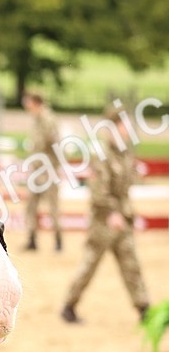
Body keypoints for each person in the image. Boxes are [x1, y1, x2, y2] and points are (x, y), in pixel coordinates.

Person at [60, 106, 150, 324]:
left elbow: (125, 187)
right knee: (89, 265)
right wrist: (111, 213)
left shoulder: (125, 153)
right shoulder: (103, 155)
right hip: (104, 221)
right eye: (123, 125)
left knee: (131, 265)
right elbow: (99, 191)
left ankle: (144, 308)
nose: (127, 130)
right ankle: (69, 305)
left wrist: (126, 213)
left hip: (122, 218)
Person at [21, 91, 62, 251]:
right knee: (31, 205)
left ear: (36, 102)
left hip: (47, 169)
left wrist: (52, 168)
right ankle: (32, 239)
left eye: (28, 103)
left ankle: (58, 241)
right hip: (37, 169)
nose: (27, 106)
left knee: (53, 207)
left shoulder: (48, 120)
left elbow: (55, 144)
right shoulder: (37, 119)